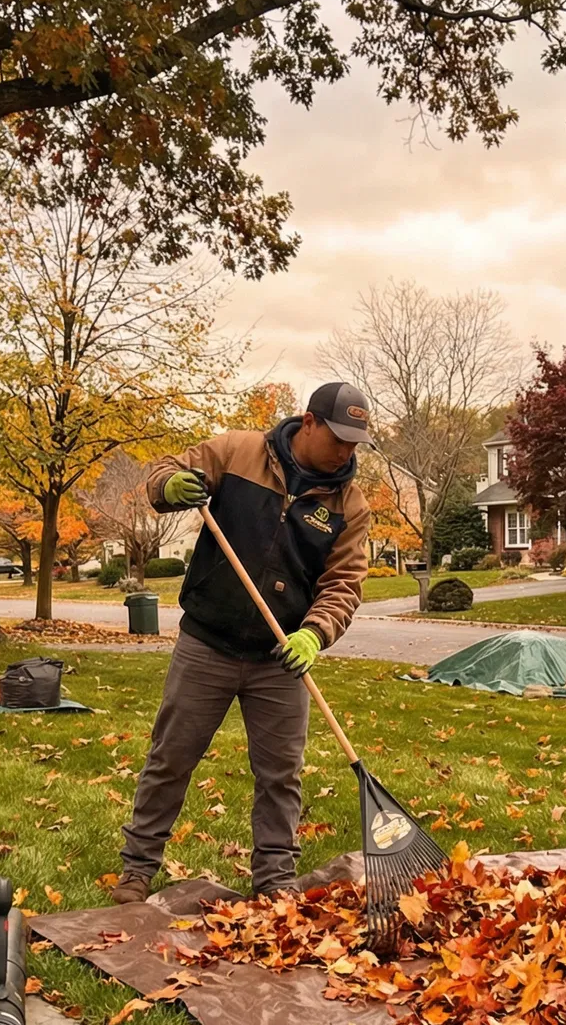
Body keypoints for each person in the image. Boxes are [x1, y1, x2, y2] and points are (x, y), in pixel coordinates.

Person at [111, 382, 374, 902]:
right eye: (339, 437)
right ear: (309, 422)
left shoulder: (349, 505)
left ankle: (274, 882)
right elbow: (163, 471)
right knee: (172, 757)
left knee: (281, 775)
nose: (345, 451)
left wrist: (313, 634)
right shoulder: (237, 452)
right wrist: (170, 487)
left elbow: (344, 582)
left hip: (281, 660)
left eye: (355, 443)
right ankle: (137, 869)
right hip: (208, 642)